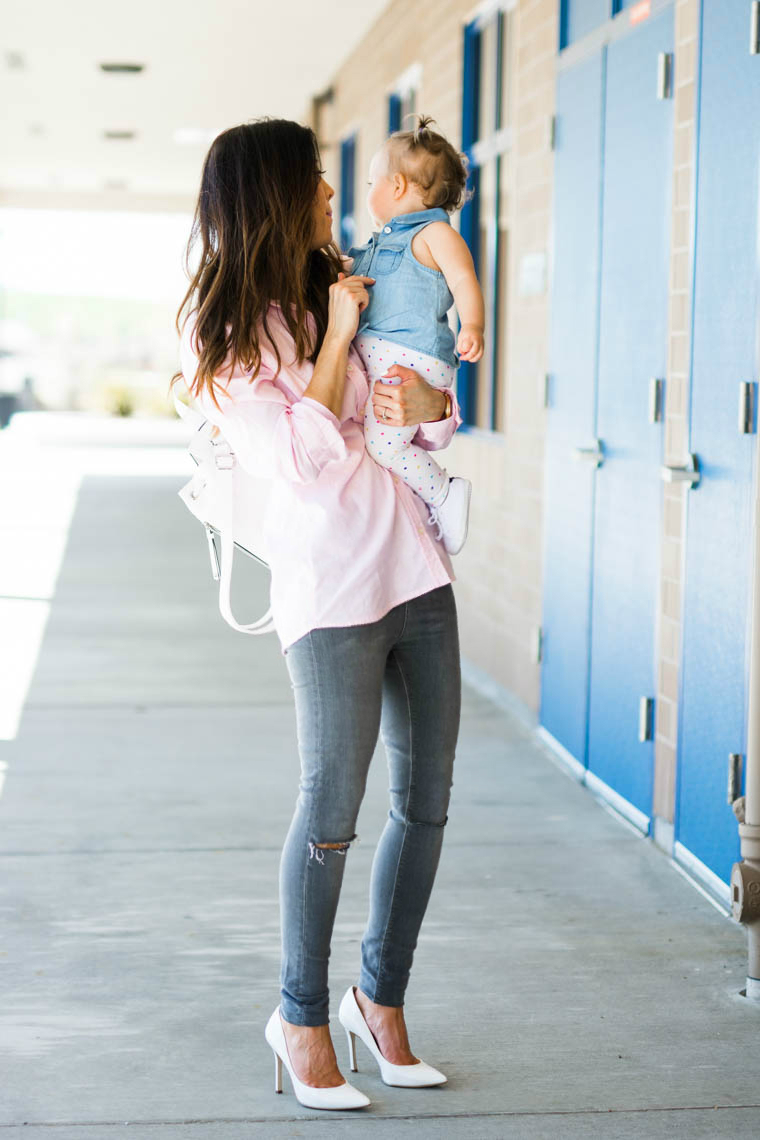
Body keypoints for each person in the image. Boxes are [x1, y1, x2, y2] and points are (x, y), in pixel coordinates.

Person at [174, 118, 463, 1112]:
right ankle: (299, 1016)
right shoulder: (225, 334)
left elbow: (420, 410)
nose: (335, 195)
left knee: (425, 804)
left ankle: (377, 1001)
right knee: (331, 815)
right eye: (316, 180)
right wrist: (339, 339)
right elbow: (307, 460)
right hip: (331, 589)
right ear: (271, 192)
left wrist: (422, 392)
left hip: (415, 568)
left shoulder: (348, 276)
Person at [347, 115, 485, 556]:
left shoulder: (434, 233)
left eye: (372, 181)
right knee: (382, 442)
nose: (367, 192)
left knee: (384, 447)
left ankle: (444, 493)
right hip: (390, 359)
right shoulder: (375, 245)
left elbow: (464, 280)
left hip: (412, 359)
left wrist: (473, 325)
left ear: (400, 187)